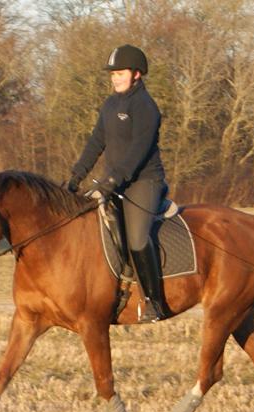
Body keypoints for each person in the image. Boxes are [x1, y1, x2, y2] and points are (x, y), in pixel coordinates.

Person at [68, 44, 169, 322]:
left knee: (137, 240)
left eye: (120, 73)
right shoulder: (110, 104)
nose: (115, 78)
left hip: (143, 182)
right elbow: (96, 141)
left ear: (136, 74)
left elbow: (138, 150)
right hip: (112, 181)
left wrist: (112, 180)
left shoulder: (145, 106)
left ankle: (153, 301)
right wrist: (76, 176)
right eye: (112, 74)